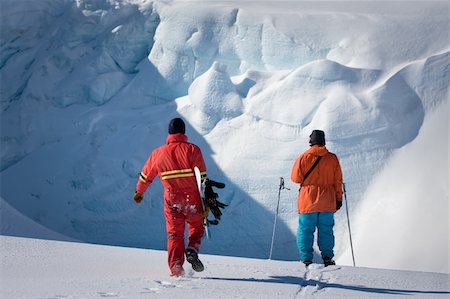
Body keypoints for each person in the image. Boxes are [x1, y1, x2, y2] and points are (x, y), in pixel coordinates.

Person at [133, 117, 208, 277]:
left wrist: (139, 192)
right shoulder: (193, 150)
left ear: (170, 133)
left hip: (172, 200)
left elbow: (146, 176)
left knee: (174, 233)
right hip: (192, 199)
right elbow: (203, 178)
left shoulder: (157, 153)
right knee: (196, 226)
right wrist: (207, 201)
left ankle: (176, 268)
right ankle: (192, 248)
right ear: (184, 132)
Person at [290, 130, 343, 267]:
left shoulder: (303, 157)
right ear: (323, 141)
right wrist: (338, 199)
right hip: (327, 200)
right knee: (326, 230)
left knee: (305, 230)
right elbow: (338, 181)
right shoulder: (332, 158)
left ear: (311, 141)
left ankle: (306, 259)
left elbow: (295, 178)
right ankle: (327, 258)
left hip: (307, 199)